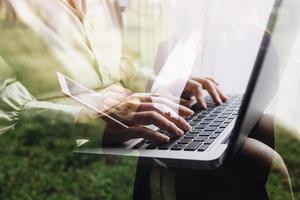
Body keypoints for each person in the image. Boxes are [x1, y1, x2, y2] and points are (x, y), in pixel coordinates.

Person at [0, 0, 290, 200]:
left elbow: (119, 67)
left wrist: (163, 81)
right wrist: (87, 119)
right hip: (74, 145)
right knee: (265, 163)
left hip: (133, 126)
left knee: (261, 125)